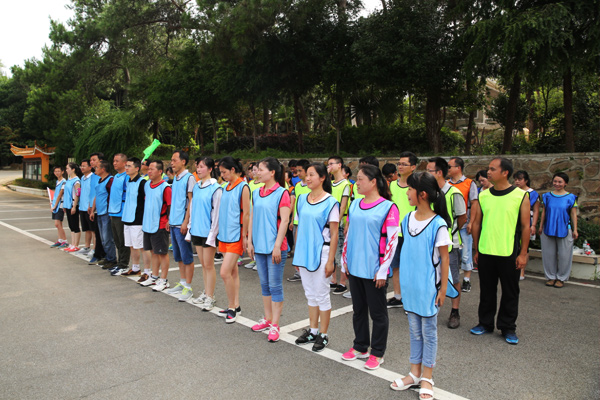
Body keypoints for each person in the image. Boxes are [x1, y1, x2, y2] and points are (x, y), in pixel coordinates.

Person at [390, 172, 457, 399]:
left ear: (423, 194)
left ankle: (427, 377)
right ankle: (414, 373)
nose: (407, 193)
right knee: (414, 332)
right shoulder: (407, 219)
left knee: (429, 333)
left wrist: (443, 289)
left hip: (429, 288)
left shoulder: (438, 224)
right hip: (411, 288)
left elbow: (445, 259)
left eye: (410, 189)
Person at [341, 164, 399, 371]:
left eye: (360, 179)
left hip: (375, 270)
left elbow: (392, 241)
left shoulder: (388, 207)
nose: (356, 183)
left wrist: (383, 270)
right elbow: (349, 233)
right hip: (355, 266)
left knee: (378, 314)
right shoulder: (355, 204)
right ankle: (360, 346)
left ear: (373, 182)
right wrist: (344, 259)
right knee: (358, 311)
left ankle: (377, 352)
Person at [471, 158, 530, 345]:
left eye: (492, 169)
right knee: (486, 290)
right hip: (486, 250)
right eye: (488, 169)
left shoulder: (520, 195)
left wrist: (523, 253)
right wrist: (476, 249)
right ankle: (485, 323)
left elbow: (526, 226)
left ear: (505, 173)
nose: (488, 172)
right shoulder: (484, 195)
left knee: (510, 292)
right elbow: (477, 223)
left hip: (509, 252)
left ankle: (508, 327)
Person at [293, 163, 339, 352]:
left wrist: (331, 261)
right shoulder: (301, 199)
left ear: (322, 178)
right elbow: (299, 227)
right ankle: (312, 330)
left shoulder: (331, 202)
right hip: (304, 253)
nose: (308, 178)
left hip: (322, 253)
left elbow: (334, 234)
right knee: (310, 293)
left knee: (322, 294)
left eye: (312, 175)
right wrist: (297, 254)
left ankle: (323, 334)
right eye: (307, 175)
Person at [247, 157, 291, 342]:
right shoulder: (256, 192)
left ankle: (275, 324)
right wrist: (250, 241)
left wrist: (277, 246)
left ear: (272, 172)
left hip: (275, 247)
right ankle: (267, 318)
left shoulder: (282, 193)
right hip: (259, 246)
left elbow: (285, 221)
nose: (257, 172)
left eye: (260, 169)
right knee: (264, 284)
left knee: (275, 285)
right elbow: (252, 217)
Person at [427, 157, 467, 329]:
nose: (426, 174)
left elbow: (462, 217)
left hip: (450, 244)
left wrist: (450, 233)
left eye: (429, 171)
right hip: (430, 243)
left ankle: (455, 311)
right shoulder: (428, 192)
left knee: (453, 278)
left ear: (439, 173)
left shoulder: (453, 193)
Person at [217, 157, 250, 323]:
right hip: (224, 234)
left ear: (232, 169)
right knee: (232, 272)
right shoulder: (225, 187)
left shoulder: (243, 186)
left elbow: (247, 213)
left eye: (224, 172)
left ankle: (231, 307)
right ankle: (236, 305)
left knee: (224, 272)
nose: (222, 175)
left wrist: (245, 236)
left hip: (236, 235)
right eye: (221, 173)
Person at [189, 157, 222, 311]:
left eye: (202, 167)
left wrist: (212, 234)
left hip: (208, 232)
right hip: (197, 230)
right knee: (203, 265)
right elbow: (193, 208)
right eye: (198, 166)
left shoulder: (216, 188)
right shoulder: (196, 186)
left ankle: (210, 296)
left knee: (209, 265)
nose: (199, 169)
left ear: (210, 169)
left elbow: (216, 215)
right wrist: (190, 228)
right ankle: (206, 292)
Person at [163, 150, 196, 299]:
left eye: (174, 160)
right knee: (179, 257)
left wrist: (186, 222)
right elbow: (175, 201)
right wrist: (170, 219)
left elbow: (191, 202)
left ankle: (188, 287)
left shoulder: (189, 178)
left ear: (183, 161)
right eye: (171, 160)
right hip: (174, 222)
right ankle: (182, 283)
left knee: (187, 256)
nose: (172, 163)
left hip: (182, 223)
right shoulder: (175, 178)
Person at [538, 172, 578, 288]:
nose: (557, 184)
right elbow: (544, 212)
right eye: (555, 181)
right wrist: (540, 226)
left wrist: (575, 229)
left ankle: (561, 278)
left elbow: (573, 214)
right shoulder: (547, 196)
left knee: (565, 255)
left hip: (565, 229)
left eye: (560, 182)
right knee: (548, 255)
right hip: (548, 228)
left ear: (565, 183)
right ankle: (551, 277)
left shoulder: (571, 197)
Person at [388, 151, 417, 309]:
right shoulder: (392, 184)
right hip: (395, 232)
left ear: (413, 167)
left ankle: (410, 299)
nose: (400, 166)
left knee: (411, 267)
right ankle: (398, 296)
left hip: (412, 232)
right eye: (399, 163)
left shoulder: (417, 185)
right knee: (396, 265)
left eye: (404, 164)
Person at [115, 157, 151, 278]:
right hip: (127, 218)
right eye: (126, 166)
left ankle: (147, 271)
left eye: (129, 166)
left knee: (142, 247)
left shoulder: (143, 183)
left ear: (137, 168)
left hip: (138, 219)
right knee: (131, 245)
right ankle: (135, 268)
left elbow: (147, 201)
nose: (126, 168)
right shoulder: (128, 181)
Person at [139, 160, 172, 289]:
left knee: (162, 253)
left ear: (160, 171)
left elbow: (170, 206)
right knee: (153, 251)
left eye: (152, 169)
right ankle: (154, 276)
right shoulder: (147, 185)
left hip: (160, 224)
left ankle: (164, 280)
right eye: (148, 169)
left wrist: (169, 220)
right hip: (148, 223)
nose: (149, 171)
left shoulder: (165, 187)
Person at [448, 157, 478, 291]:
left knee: (466, 254)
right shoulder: (447, 184)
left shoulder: (469, 183)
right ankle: (451, 279)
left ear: (458, 168)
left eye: (450, 166)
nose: (448, 169)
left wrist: (471, 222)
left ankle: (466, 280)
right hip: (450, 225)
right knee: (451, 253)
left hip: (464, 224)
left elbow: (474, 203)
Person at [327, 156, 351, 295]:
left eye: (331, 164)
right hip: (330, 222)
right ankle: (333, 279)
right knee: (331, 250)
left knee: (340, 252)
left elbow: (343, 206)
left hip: (339, 222)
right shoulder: (330, 183)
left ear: (339, 165)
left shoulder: (345, 184)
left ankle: (342, 282)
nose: (329, 166)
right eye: (328, 164)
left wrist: (337, 221)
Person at [91, 160, 117, 270]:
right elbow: (97, 196)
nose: (95, 169)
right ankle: (107, 257)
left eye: (97, 167)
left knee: (107, 238)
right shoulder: (99, 180)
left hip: (106, 212)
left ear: (103, 169)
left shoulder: (110, 180)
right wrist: (93, 210)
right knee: (102, 238)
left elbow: (112, 196)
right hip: (99, 212)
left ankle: (112, 259)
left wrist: (111, 211)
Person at [287, 158, 311, 282]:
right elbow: (295, 204)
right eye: (296, 171)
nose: (297, 173)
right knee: (298, 247)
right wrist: (292, 220)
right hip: (297, 222)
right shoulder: (297, 186)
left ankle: (309, 271)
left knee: (308, 246)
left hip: (308, 222)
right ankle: (298, 272)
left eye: (300, 170)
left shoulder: (312, 186)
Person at [514, 170, 540, 280]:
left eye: (520, 179)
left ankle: (522, 271)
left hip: (527, 221)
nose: (517, 182)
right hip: (514, 221)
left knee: (524, 246)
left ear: (526, 180)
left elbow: (536, 210)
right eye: (515, 179)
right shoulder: (513, 191)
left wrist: (533, 225)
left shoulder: (533, 193)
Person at [108, 153, 131, 274]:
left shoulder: (127, 177)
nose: (114, 163)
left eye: (117, 161)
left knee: (123, 241)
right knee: (117, 240)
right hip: (113, 212)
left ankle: (124, 264)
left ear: (124, 163)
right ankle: (119, 262)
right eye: (114, 161)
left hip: (121, 213)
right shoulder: (116, 176)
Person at [244, 162, 264, 270]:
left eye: (256, 169)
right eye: (253, 170)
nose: (254, 172)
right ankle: (253, 259)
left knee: (259, 236)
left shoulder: (263, 184)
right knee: (252, 236)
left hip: (259, 213)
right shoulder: (250, 183)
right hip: (251, 212)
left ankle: (258, 261)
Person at [77, 159, 99, 256]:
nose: (82, 168)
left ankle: (94, 248)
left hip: (90, 208)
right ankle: (87, 246)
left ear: (90, 167)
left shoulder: (94, 178)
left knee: (93, 229)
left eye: (84, 166)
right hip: (82, 207)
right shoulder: (82, 178)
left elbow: (94, 194)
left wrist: (92, 207)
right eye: (81, 166)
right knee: (87, 229)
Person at [88, 152, 106, 264]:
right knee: (96, 231)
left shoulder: (103, 176)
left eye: (94, 160)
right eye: (91, 160)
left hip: (101, 209)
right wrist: (90, 206)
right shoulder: (94, 175)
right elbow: (93, 193)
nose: (91, 162)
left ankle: (100, 254)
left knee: (101, 234)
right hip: (94, 207)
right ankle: (97, 252)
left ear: (101, 161)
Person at [61, 162, 82, 252]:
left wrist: (74, 206)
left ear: (73, 169)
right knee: (71, 226)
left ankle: (76, 245)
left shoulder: (76, 181)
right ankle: (72, 244)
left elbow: (77, 194)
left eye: (67, 168)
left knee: (75, 225)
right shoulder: (68, 180)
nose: (66, 170)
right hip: (67, 205)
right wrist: (64, 205)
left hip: (73, 205)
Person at [49, 166, 68, 249]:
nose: (57, 173)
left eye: (58, 171)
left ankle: (65, 241)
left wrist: (54, 206)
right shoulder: (58, 181)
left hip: (60, 205)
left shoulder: (64, 182)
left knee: (58, 224)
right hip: (55, 205)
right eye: (55, 171)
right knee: (58, 224)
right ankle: (60, 240)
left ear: (62, 172)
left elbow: (60, 195)